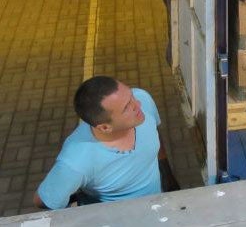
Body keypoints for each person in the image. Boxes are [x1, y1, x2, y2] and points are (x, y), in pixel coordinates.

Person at [34, 76, 180, 209]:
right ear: (105, 127)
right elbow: (43, 201)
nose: (138, 104)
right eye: (126, 108)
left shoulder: (143, 101)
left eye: (131, 96)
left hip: (157, 209)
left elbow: (154, 131)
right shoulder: (76, 161)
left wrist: (167, 173)